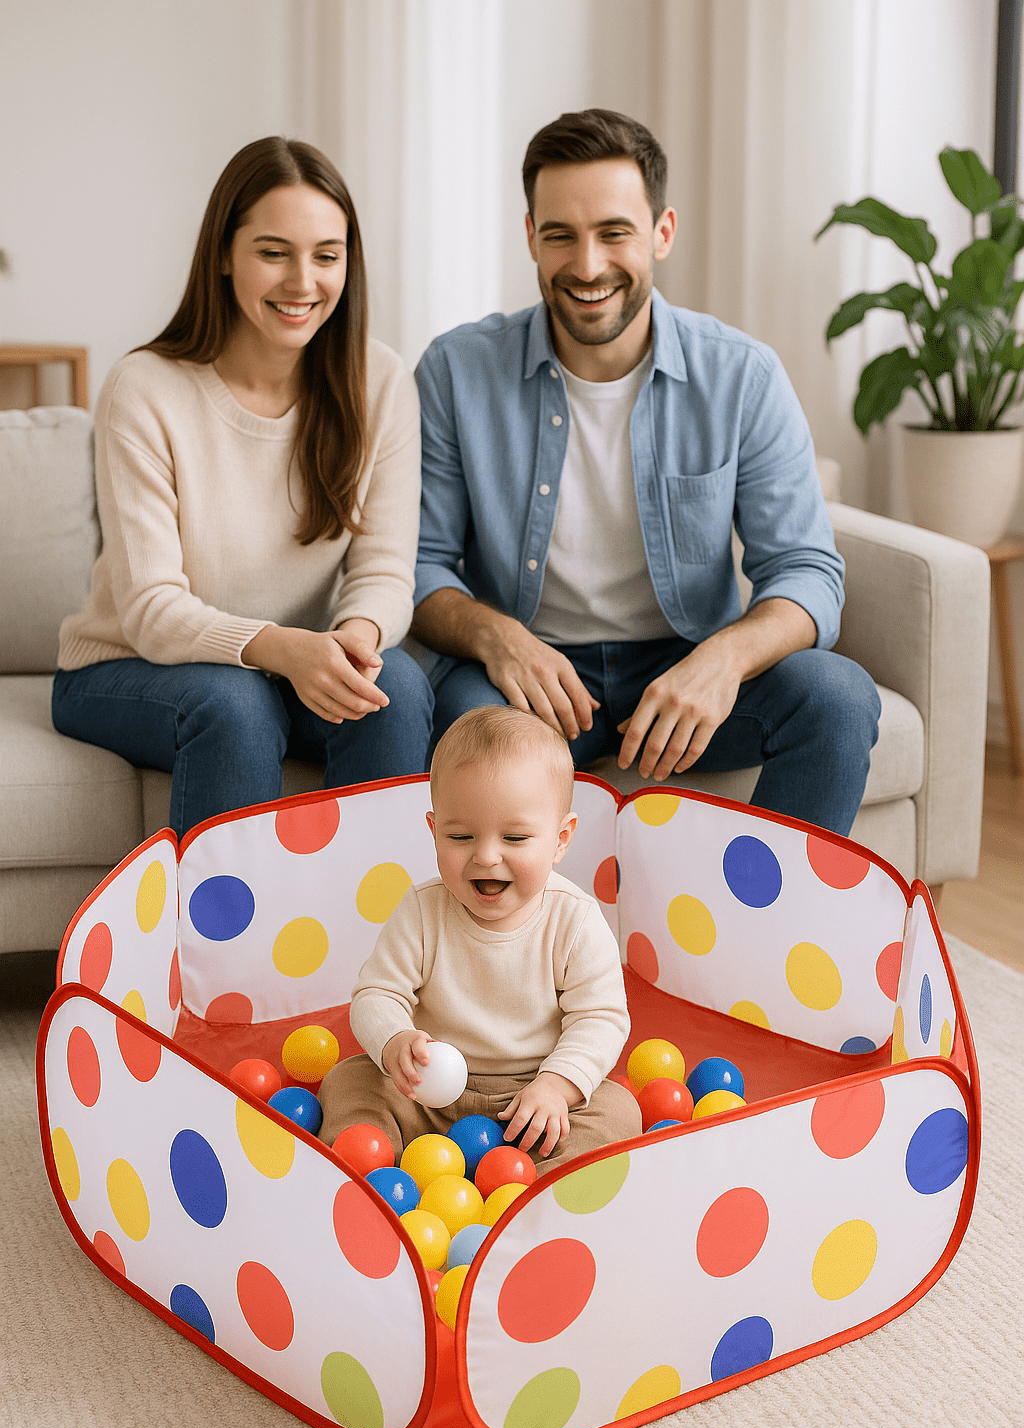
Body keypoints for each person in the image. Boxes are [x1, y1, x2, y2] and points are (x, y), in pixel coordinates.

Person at [409, 109, 880, 836]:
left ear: (662, 232)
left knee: (837, 697)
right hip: (524, 669)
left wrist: (724, 660)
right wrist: (496, 638)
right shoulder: (455, 370)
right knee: (463, 724)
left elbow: (808, 571)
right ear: (530, 237)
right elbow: (422, 565)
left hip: (679, 665)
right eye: (561, 235)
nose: (589, 265)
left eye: (614, 233)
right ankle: (509, 948)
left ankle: (776, 939)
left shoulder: (742, 375)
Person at [52, 137, 433, 839]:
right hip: (128, 665)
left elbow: (384, 572)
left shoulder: (379, 382)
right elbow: (151, 611)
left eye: (326, 254)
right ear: (224, 255)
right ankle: (220, 949)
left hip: (292, 664)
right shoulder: (144, 389)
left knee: (396, 690)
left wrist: (350, 643)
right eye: (273, 251)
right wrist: (282, 649)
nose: (302, 281)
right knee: (236, 703)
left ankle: (374, 941)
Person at [318, 706, 640, 1172]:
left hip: (533, 1100)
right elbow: (377, 993)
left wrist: (556, 1085)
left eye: (514, 837)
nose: (487, 857)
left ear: (560, 838)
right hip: (427, 1093)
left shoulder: (575, 920)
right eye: (462, 836)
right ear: (434, 833)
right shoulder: (423, 910)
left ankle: (537, 1197)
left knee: (616, 1110)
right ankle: (371, 1179)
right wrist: (395, 1040)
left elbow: (602, 1019)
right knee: (350, 1080)